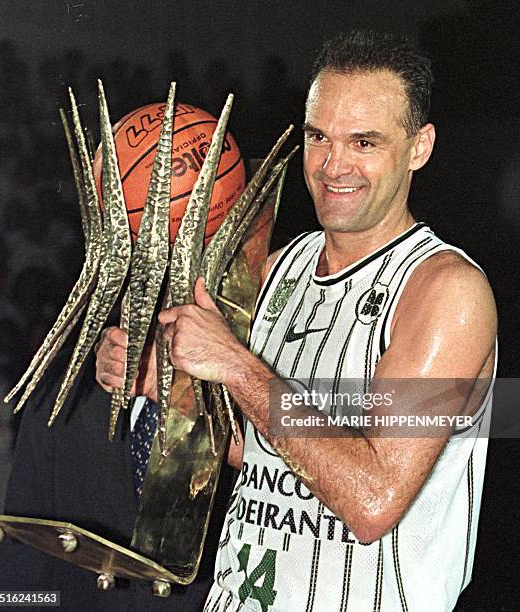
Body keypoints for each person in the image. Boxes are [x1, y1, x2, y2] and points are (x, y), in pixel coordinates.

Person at [96, 30, 497, 611]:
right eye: (318, 137)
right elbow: (262, 451)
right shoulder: (278, 267)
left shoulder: (446, 292)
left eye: (364, 142)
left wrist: (235, 366)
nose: (334, 165)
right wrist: (157, 382)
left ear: (419, 147)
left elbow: (371, 499)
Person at [0, 345, 235, 612]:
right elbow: (21, 567)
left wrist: (238, 376)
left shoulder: (268, 383)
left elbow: (287, 436)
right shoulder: (63, 389)